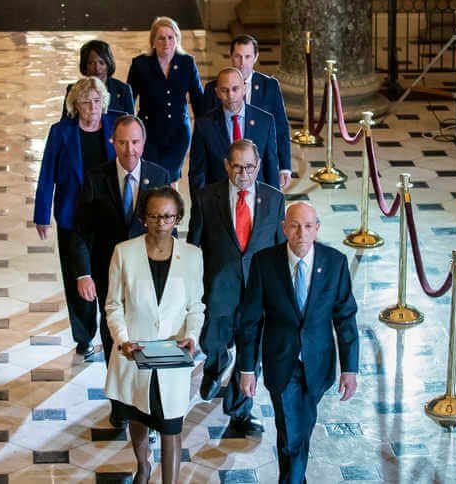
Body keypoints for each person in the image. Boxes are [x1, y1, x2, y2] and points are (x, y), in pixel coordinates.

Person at [238, 202, 359, 484]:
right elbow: (250, 321)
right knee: (292, 429)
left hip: (318, 364)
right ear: (284, 228)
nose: (301, 233)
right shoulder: (264, 263)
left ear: (317, 229)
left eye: (307, 226)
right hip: (282, 363)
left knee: (297, 428)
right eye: (294, 225)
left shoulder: (335, 262)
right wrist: (247, 369)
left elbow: (345, 318)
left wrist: (349, 368)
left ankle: (294, 477)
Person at [71, 114, 170, 428]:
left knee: (147, 337)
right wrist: (83, 273)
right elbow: (80, 231)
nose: (130, 150)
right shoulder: (96, 178)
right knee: (114, 337)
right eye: (123, 142)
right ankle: (119, 403)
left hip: (147, 276)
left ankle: (146, 402)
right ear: (113, 142)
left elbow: (169, 228)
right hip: (107, 273)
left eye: (136, 142)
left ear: (144, 143)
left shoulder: (159, 175)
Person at [105, 187, 205, 484]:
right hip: (134, 353)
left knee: (171, 425)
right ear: (143, 218)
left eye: (168, 216)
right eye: (154, 216)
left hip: (172, 356)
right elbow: (113, 304)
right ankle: (143, 465)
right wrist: (122, 339)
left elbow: (196, 306)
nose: (161, 222)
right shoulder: (124, 252)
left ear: (178, 219)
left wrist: (192, 336)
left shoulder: (192, 256)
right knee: (138, 415)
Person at [187, 139, 285, 435]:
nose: (244, 173)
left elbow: (280, 248)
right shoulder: (206, 198)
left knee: (250, 351)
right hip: (219, 288)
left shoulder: (274, 199)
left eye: (250, 167)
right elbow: (194, 245)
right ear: (227, 165)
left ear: (258, 167)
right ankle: (216, 366)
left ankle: (239, 410)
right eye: (238, 166)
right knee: (212, 342)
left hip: (258, 292)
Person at [34, 77, 119, 359]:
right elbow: (47, 173)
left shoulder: (114, 126)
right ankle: (84, 337)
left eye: (97, 101)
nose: (92, 108)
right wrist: (42, 213)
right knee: (78, 278)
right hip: (73, 215)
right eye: (86, 102)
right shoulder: (61, 132)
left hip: (108, 215)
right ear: (75, 105)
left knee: (107, 275)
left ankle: (111, 332)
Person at [202, 35, 292, 189]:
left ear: (256, 57)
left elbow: (281, 128)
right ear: (231, 56)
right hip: (224, 167)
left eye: (248, 56)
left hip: (257, 167)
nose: (242, 63)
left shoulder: (269, 86)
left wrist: (285, 166)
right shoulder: (213, 88)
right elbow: (205, 133)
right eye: (238, 56)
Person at [127, 17, 204, 183]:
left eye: (171, 37)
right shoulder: (140, 65)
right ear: (153, 41)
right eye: (161, 38)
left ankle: (172, 209)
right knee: (151, 178)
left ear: (177, 39)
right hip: (148, 134)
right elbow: (129, 100)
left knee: (170, 178)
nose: (166, 42)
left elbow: (198, 99)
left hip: (178, 134)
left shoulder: (187, 63)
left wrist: (204, 131)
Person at [189, 67, 279, 193]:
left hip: (256, 198)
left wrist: (274, 207)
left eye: (235, 89)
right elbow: (197, 173)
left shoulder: (265, 121)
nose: (230, 95)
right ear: (217, 92)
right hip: (218, 200)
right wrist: (199, 208)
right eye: (224, 90)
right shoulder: (204, 125)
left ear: (244, 89)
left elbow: (271, 169)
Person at [62, 40, 134, 118]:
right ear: (84, 65)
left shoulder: (124, 89)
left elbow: (131, 122)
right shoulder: (73, 89)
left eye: (101, 63)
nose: (97, 68)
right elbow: (65, 121)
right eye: (91, 63)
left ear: (108, 64)